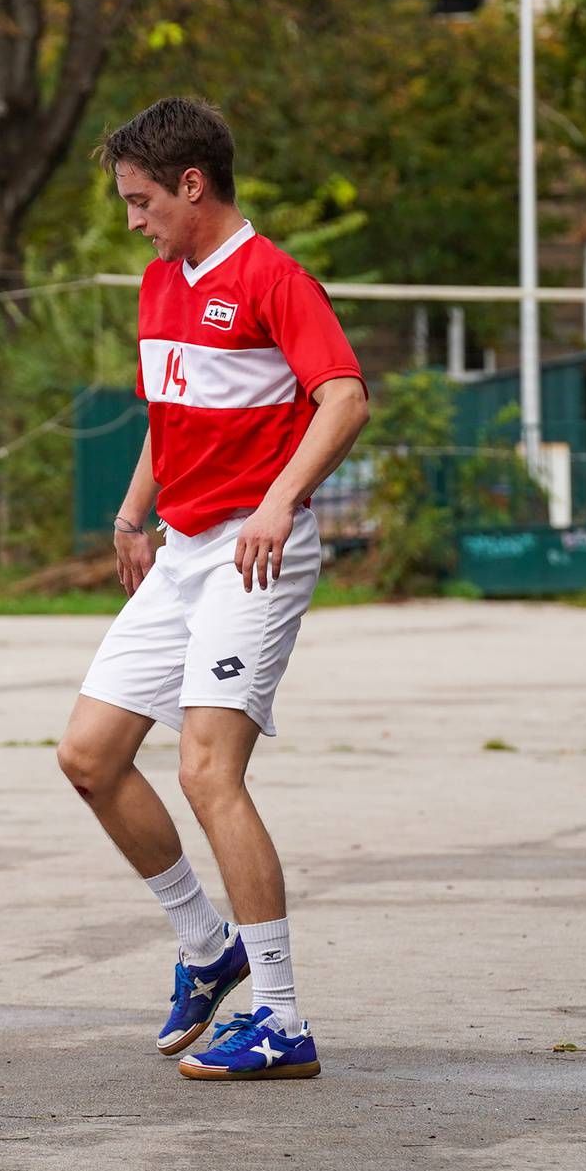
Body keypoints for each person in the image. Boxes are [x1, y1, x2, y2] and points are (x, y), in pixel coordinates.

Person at [55, 97, 370, 1081]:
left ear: (194, 185)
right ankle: (207, 948)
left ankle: (280, 1016)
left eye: (143, 200)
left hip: (254, 550)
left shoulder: (274, 278)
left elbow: (346, 397)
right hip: (182, 547)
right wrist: (132, 512)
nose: (134, 218)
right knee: (90, 756)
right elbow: (174, 409)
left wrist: (282, 499)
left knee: (206, 770)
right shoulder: (160, 284)